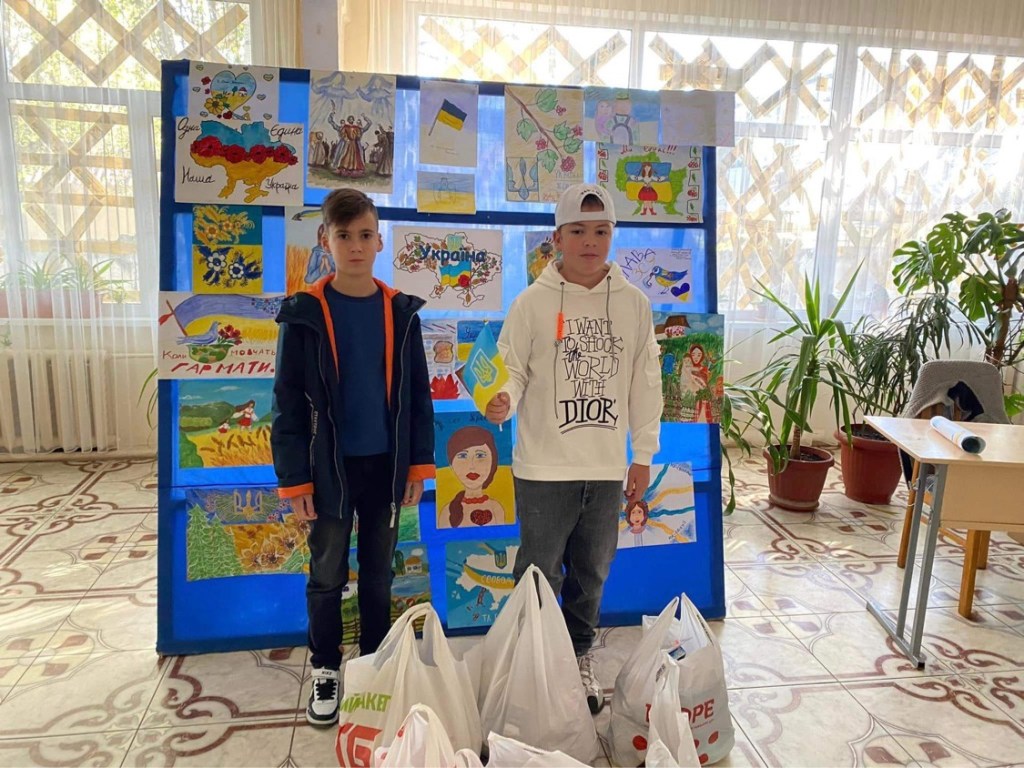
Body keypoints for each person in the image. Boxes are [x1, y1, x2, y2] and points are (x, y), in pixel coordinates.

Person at [485, 183, 663, 714]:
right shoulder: (531, 304)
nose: (590, 241)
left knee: (592, 573)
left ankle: (579, 655)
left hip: (605, 467)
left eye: (601, 231)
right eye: (579, 231)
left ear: (612, 236)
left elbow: (645, 381)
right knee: (538, 572)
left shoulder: (633, 305)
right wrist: (502, 398)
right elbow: (511, 368)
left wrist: (643, 454)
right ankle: (531, 660)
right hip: (543, 467)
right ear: (557, 238)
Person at [271, 188, 435, 728]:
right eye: (344, 236)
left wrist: (418, 464)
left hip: (385, 468)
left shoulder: (402, 312)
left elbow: (418, 397)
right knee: (326, 571)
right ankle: (325, 665)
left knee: (379, 572)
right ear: (326, 240)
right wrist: (295, 480)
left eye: (365, 235)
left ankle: (371, 662)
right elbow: (287, 403)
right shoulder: (303, 315)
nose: (356, 246)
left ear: (379, 241)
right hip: (328, 472)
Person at [443, 425, 506, 528]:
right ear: (451, 465)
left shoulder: (496, 508)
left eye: (480, 455)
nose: (471, 466)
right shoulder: (447, 512)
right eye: (463, 456)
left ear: (493, 462)